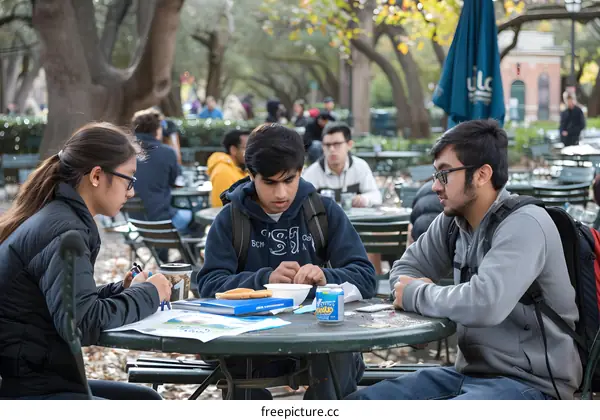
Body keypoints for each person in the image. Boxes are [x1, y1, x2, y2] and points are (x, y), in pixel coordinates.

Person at [347, 119, 581, 400]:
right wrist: (413, 290)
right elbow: (403, 272)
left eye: (445, 174)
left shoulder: (525, 224)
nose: (434, 186)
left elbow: (485, 303)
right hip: (468, 375)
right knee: (363, 402)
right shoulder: (453, 222)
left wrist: (418, 294)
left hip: (533, 385)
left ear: (482, 174)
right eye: (435, 175)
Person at [196, 123, 376, 400]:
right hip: (248, 344)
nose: (281, 194)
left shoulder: (323, 212)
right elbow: (209, 285)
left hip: (318, 339)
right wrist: (263, 280)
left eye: (289, 180)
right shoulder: (230, 219)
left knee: (338, 358)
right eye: (269, 182)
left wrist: (326, 277)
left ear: (301, 172)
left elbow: (366, 276)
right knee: (240, 378)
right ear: (251, 175)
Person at [0, 122, 172, 399]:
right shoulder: (66, 231)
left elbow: (67, 303)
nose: (131, 192)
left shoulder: (57, 216)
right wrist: (151, 293)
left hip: (33, 376)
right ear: (96, 176)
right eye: (129, 180)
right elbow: (82, 322)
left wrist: (122, 291)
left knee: (146, 399)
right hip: (27, 388)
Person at [128, 108, 197, 234]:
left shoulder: (125, 152)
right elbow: (177, 182)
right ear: (157, 130)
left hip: (134, 221)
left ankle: (161, 249)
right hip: (162, 220)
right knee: (196, 217)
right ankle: (185, 251)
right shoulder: (167, 153)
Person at [302, 122, 382, 207]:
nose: (332, 149)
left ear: (349, 145)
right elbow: (301, 202)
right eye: (327, 145)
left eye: (337, 144)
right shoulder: (313, 172)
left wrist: (364, 199)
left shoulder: (360, 167)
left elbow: (376, 196)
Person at [206, 129, 250, 207]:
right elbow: (221, 207)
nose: (250, 152)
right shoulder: (223, 172)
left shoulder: (242, 169)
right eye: (246, 148)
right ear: (233, 150)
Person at [406, 179, 443, 246]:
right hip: (442, 235)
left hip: (419, 232)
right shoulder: (448, 187)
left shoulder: (424, 188)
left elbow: (413, 216)